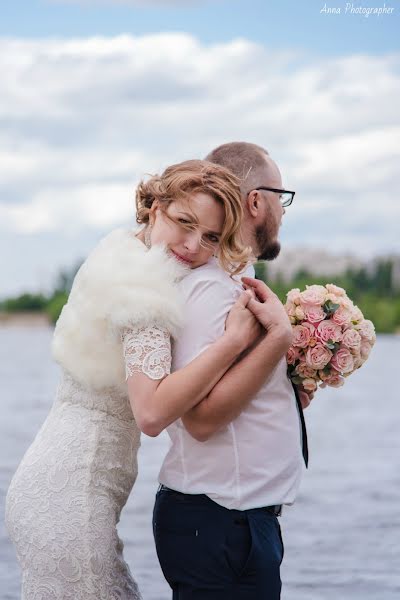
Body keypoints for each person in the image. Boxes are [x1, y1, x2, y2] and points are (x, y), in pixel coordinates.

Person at [5, 159, 274, 600]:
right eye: (183, 222)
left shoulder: (121, 250)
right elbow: (150, 414)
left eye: (210, 237)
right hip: (72, 497)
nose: (192, 246)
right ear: (155, 209)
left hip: (48, 485)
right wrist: (232, 342)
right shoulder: (144, 290)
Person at [153, 142, 311, 600]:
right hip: (220, 521)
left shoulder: (231, 283)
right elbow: (198, 418)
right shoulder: (211, 289)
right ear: (258, 200)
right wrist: (279, 340)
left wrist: (283, 391)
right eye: (282, 198)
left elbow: (228, 390)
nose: (283, 212)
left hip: (236, 520)